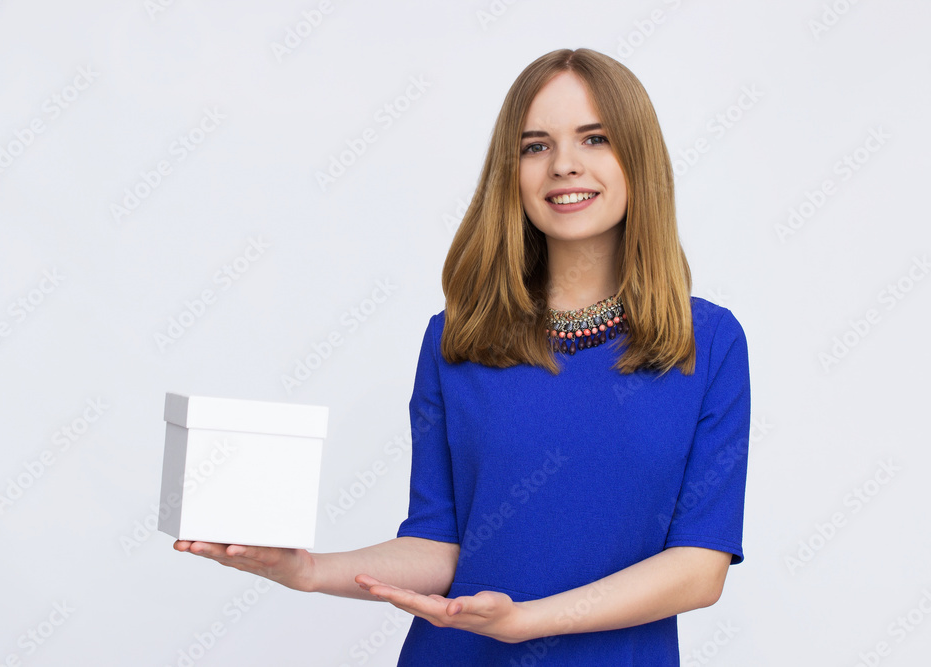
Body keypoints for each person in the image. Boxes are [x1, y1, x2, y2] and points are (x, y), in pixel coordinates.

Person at [174, 47, 751, 666]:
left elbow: (699, 568)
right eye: (535, 146)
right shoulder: (457, 338)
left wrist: (525, 621)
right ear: (512, 171)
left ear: (639, 158)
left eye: (595, 139)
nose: (563, 165)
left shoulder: (708, 344)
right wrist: (313, 570)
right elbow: (439, 545)